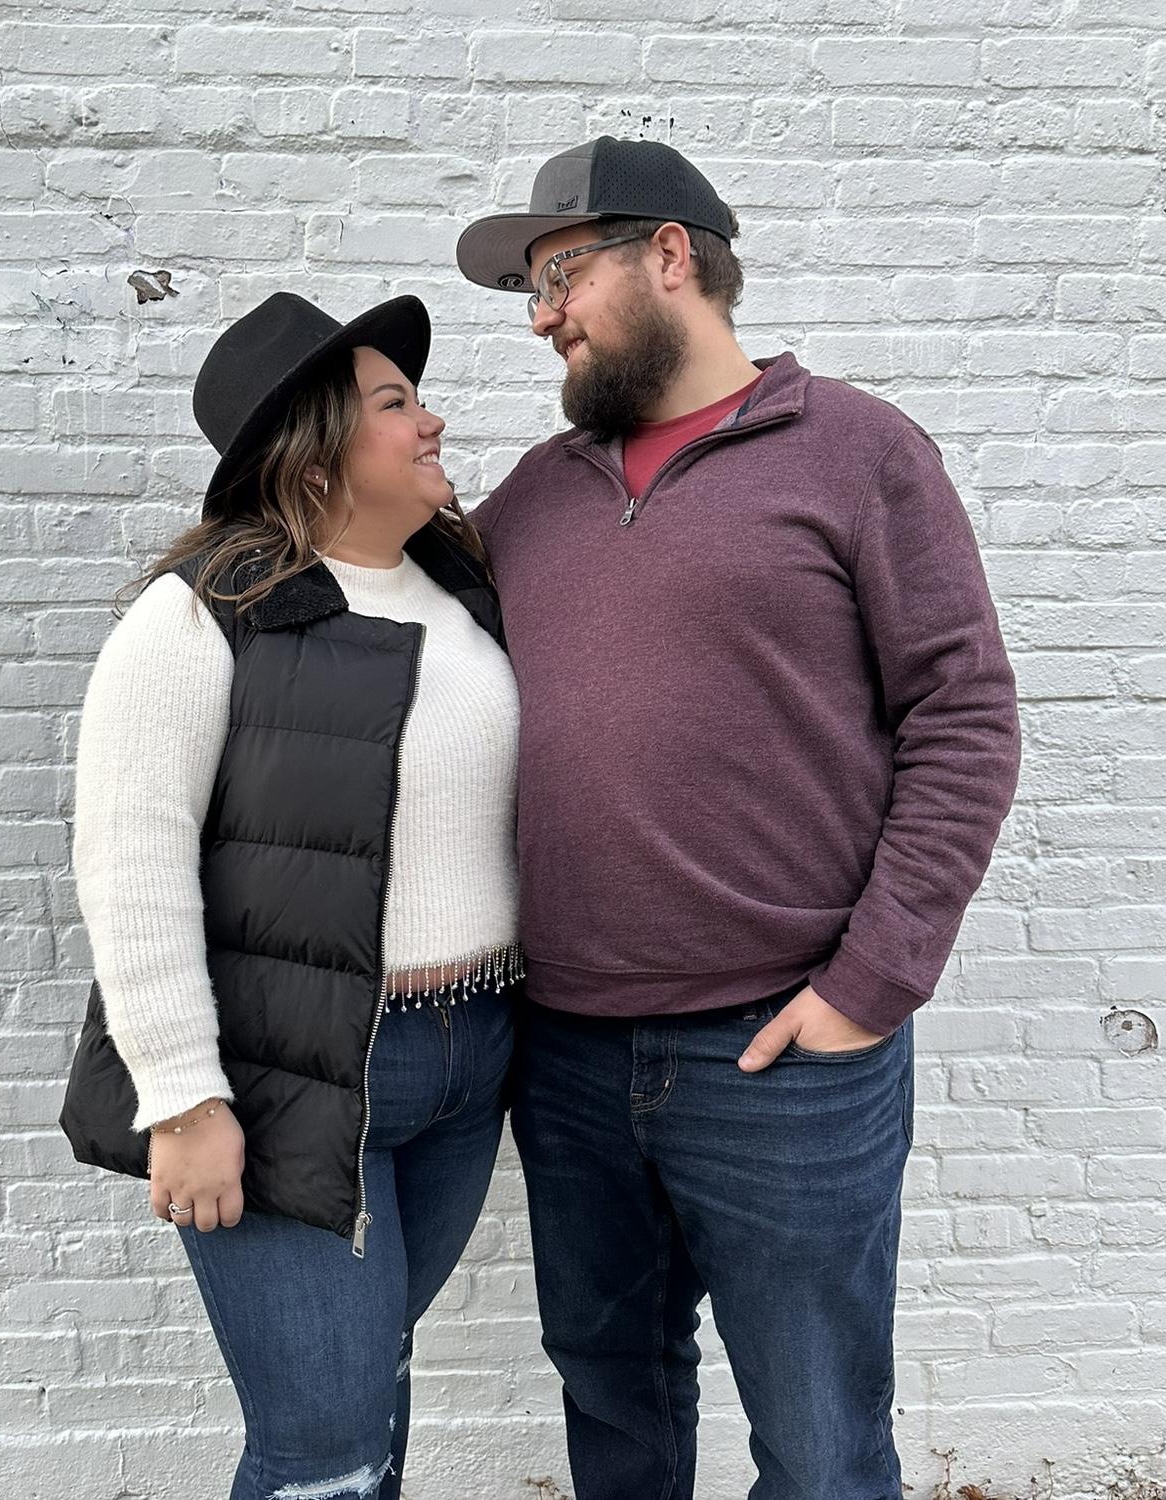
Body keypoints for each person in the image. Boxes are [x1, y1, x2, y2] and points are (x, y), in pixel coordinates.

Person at [455, 136, 1023, 1500]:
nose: (540, 318)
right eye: (530, 291)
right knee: (615, 1400)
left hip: (782, 1051)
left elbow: (963, 717)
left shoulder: (857, 453)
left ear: (669, 255)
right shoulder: (532, 497)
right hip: (568, 1051)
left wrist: (871, 985)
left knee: (821, 1448)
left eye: (559, 276)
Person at [58, 292, 522, 1500]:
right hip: (287, 1079)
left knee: (374, 1399)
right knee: (322, 1447)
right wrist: (182, 1101)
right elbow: (131, 858)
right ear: (314, 453)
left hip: (468, 1056)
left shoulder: (462, 591)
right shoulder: (204, 612)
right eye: (396, 403)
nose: (433, 421)